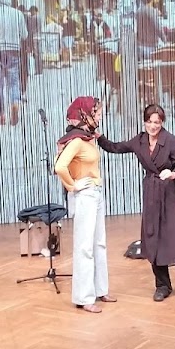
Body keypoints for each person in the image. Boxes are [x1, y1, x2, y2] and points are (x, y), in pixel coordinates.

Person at [98, 103, 175, 302]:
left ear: (162, 123)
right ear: (145, 122)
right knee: (154, 240)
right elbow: (115, 147)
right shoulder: (140, 141)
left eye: (157, 123)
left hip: (171, 195)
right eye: (150, 122)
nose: (153, 126)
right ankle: (162, 285)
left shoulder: (171, 141)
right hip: (151, 195)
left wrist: (173, 173)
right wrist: (99, 137)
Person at [54, 97, 116, 313]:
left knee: (99, 243)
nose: (99, 117)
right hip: (85, 195)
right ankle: (84, 297)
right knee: (85, 246)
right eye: (96, 113)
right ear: (85, 115)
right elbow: (60, 166)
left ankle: (101, 289)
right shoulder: (76, 141)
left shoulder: (88, 138)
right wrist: (73, 186)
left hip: (96, 193)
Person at [0, 0, 26, 126]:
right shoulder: (18, 14)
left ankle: (1, 115)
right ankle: (14, 103)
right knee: (14, 82)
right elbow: (24, 35)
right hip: (14, 50)